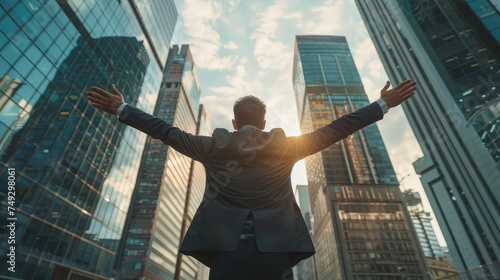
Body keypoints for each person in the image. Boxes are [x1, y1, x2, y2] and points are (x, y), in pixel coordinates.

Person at [86, 79, 416, 279]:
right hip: (275, 251)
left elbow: (165, 131)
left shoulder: (211, 146)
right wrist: (382, 104)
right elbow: (338, 129)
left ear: (234, 122)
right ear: (263, 121)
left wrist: (123, 109)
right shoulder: (288, 147)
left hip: (227, 252)